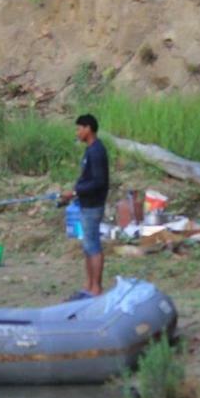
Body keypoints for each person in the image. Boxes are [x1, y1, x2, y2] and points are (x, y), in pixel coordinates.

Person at [60, 114, 109, 296]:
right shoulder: (90, 150)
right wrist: (74, 192)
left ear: (88, 128)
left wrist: (74, 192)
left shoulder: (97, 151)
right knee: (88, 245)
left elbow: (99, 182)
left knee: (93, 245)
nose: (77, 132)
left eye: (79, 128)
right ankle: (89, 285)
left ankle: (96, 288)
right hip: (86, 203)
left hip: (93, 206)